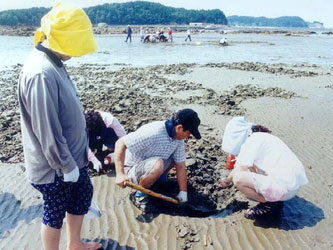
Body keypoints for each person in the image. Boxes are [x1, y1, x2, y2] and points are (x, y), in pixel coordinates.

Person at [17, 2, 102, 250]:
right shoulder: (40, 72)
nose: (75, 53)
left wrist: (80, 158)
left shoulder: (54, 61)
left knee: (83, 193)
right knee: (54, 213)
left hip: (72, 159)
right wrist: (66, 166)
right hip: (55, 165)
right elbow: (47, 131)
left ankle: (74, 243)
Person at [220, 117, 308, 220]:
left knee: (238, 178)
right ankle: (274, 198)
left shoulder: (252, 141)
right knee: (251, 165)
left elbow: (239, 169)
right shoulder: (265, 138)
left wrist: (227, 181)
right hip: (293, 186)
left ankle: (269, 205)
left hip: (285, 189)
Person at [114, 109, 201, 210]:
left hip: (152, 165)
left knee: (176, 158)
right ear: (179, 128)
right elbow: (120, 143)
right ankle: (139, 195)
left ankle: (158, 180)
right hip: (132, 168)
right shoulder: (153, 132)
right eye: (189, 133)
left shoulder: (178, 139)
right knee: (158, 164)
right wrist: (120, 174)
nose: (188, 136)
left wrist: (183, 192)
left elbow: (180, 165)